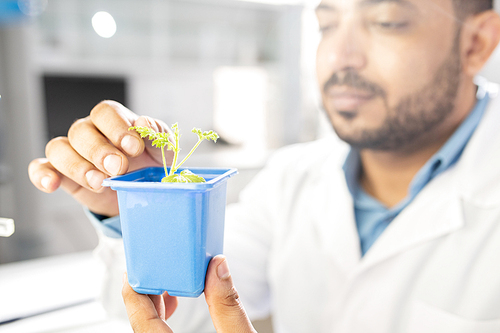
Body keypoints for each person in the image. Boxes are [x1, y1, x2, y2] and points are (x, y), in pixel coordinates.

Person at [28, 0, 500, 331]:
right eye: (327, 25)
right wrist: (134, 210)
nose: (339, 56)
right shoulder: (293, 179)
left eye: (387, 22)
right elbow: (182, 313)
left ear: (475, 44)